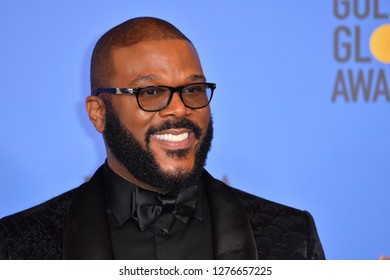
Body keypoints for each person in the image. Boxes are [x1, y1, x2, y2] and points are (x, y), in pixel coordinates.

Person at [0, 17, 325, 260]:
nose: (180, 109)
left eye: (193, 89)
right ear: (98, 113)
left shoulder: (292, 235)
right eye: (151, 92)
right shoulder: (16, 245)